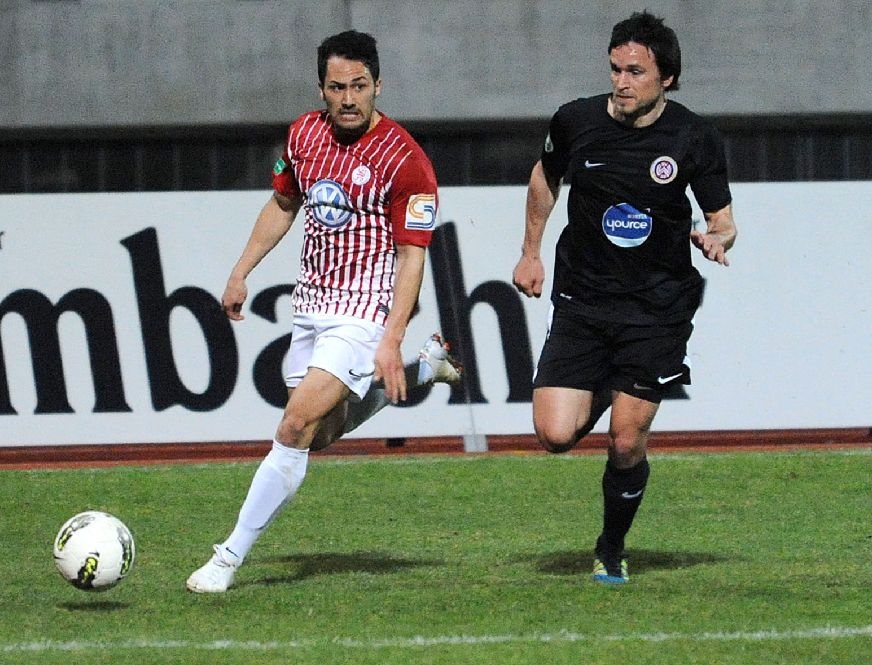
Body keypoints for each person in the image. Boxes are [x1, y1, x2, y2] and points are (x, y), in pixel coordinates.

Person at [187, 29, 462, 594]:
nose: (349, 98)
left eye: (360, 85)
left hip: (366, 309)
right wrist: (242, 271)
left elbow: (412, 258)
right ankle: (421, 372)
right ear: (322, 89)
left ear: (378, 85)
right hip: (311, 302)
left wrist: (389, 336)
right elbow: (283, 203)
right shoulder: (304, 136)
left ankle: (226, 558)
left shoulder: (406, 161)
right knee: (319, 434)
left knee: (292, 425)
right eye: (337, 87)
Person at [512, 11, 737, 585]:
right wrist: (531, 251)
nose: (621, 82)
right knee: (555, 435)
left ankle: (611, 547)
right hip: (583, 301)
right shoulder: (575, 121)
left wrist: (717, 239)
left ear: (668, 79)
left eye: (635, 71)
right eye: (615, 69)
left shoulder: (693, 137)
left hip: (656, 309)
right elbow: (545, 176)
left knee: (626, 438)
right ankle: (619, 383)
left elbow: (723, 218)